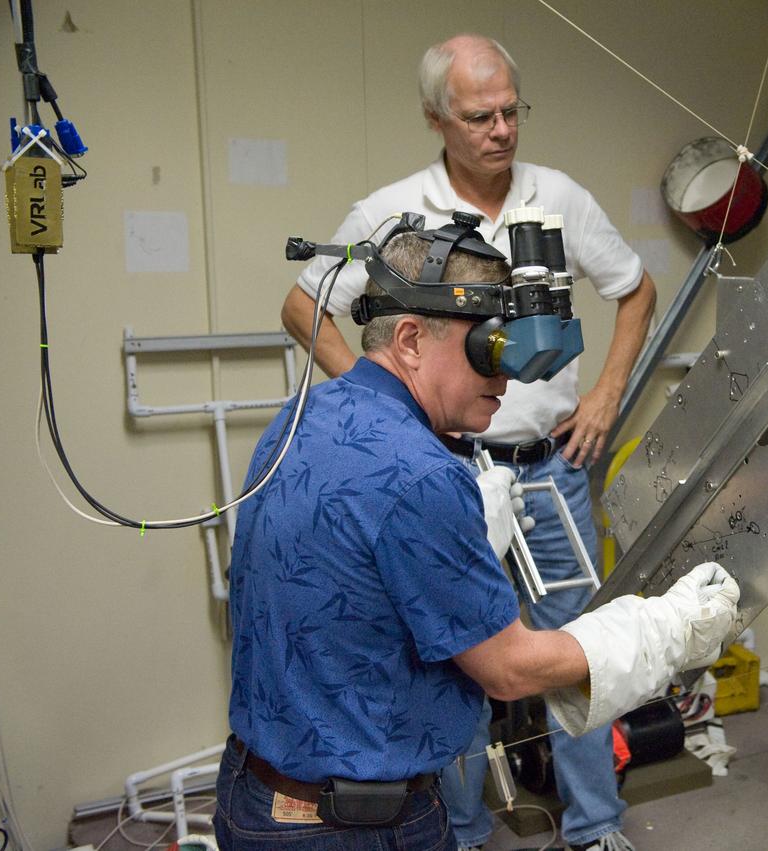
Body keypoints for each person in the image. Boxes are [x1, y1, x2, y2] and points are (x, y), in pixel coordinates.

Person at [216, 222, 738, 851]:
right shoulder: (422, 476)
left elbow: (350, 586)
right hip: (352, 828)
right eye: (489, 349)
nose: (508, 377)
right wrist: (667, 628)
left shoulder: (302, 414)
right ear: (411, 338)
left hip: (255, 799)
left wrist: (463, 550)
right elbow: (509, 671)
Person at [280, 33, 657, 851]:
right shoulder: (394, 214)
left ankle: (595, 828)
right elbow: (303, 305)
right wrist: (388, 409)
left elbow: (636, 288)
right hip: (444, 474)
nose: (501, 129)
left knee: (575, 649)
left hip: (547, 470)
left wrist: (605, 393)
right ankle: (458, 830)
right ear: (436, 119)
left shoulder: (557, 197)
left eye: (512, 111)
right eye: (480, 115)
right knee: (452, 658)